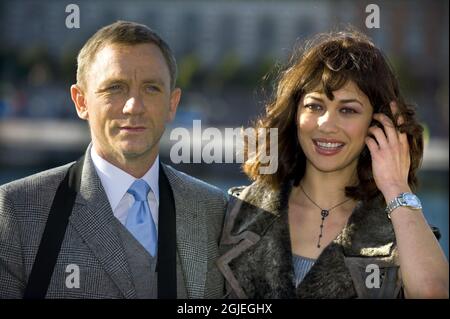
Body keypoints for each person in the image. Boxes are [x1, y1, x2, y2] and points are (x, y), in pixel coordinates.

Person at [0, 21, 227, 299]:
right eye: (115, 88)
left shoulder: (215, 210)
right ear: (81, 101)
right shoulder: (18, 209)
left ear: (172, 104)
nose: (134, 106)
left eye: (151, 88)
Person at [217, 29, 449, 298]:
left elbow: (433, 292)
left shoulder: (401, 233)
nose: (326, 124)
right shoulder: (236, 212)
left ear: (378, 124)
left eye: (348, 110)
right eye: (315, 106)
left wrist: (396, 186)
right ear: (295, 114)